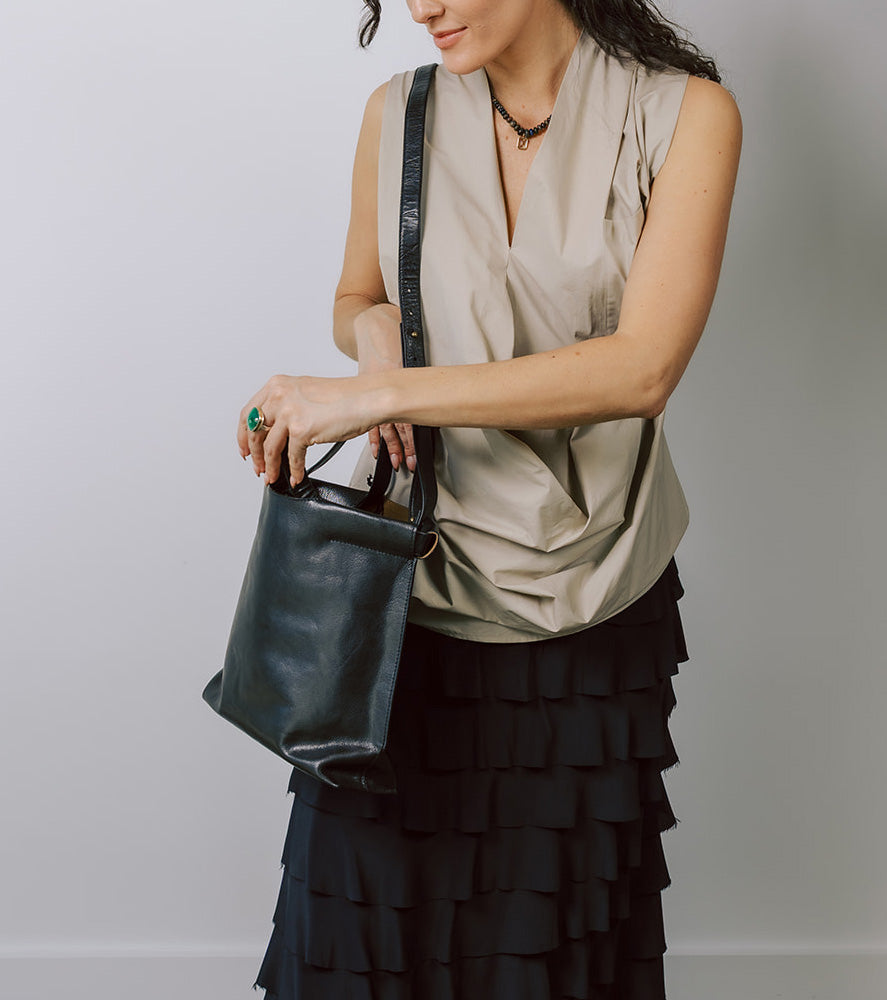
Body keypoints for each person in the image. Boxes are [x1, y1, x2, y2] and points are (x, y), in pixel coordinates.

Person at [242, 0, 741, 996]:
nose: (419, 5)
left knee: (549, 964)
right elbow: (358, 295)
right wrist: (378, 341)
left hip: (593, 615)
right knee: (353, 952)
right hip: (406, 607)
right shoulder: (399, 112)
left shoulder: (686, 115)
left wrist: (381, 393)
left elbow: (640, 371)